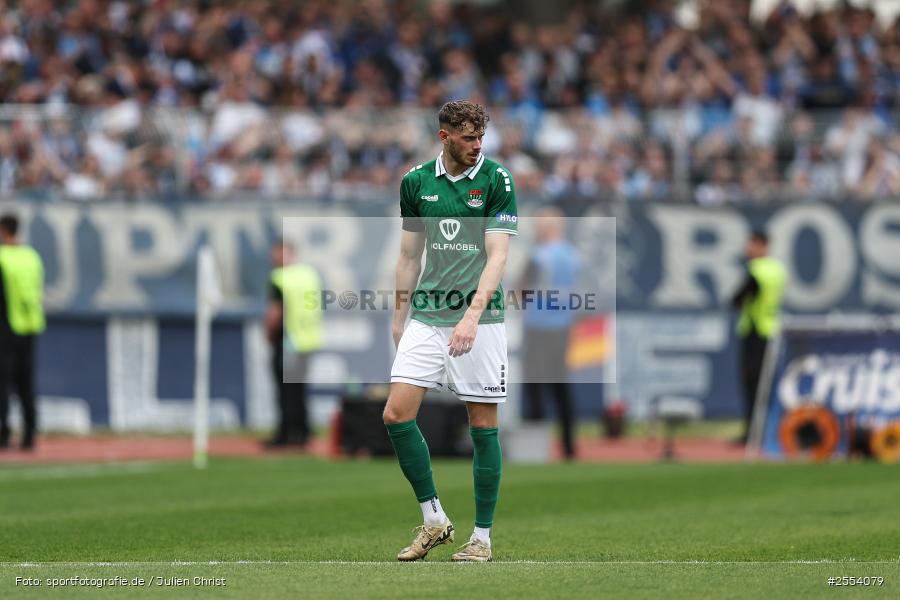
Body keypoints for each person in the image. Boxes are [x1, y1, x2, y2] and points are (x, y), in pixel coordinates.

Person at [385, 101, 517, 562]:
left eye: (481, 136)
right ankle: (434, 519)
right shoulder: (416, 182)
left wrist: (471, 316)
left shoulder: (496, 180)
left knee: (482, 425)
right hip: (426, 314)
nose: (477, 145)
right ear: (444, 136)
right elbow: (408, 257)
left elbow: (497, 256)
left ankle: (481, 537)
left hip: (479, 319)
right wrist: (399, 317)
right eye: (468, 137)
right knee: (395, 415)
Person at [519, 206, 580, 460]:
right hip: (563, 326)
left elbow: (522, 288)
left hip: (537, 325)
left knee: (534, 386)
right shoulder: (575, 256)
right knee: (561, 387)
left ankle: (536, 449)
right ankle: (568, 447)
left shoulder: (539, 256)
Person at [265, 239, 322, 447]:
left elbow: (275, 311)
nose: (273, 257)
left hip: (288, 340)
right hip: (308, 340)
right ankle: (303, 432)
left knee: (285, 390)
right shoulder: (309, 274)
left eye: (277, 253)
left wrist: (269, 334)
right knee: (299, 388)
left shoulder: (279, 277)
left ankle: (286, 434)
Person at [731, 231, 786, 445]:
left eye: (751, 244)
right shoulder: (778, 269)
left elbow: (739, 298)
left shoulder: (756, 270)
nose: (747, 249)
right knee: (768, 384)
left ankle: (753, 432)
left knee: (752, 383)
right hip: (772, 329)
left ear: (761, 245)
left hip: (755, 330)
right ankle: (767, 429)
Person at [0, 213, 45, 450]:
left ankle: (4, 435)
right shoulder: (32, 256)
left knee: (3, 384)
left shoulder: (2, 258)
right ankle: (30, 435)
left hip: (7, 327)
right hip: (30, 326)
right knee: (26, 384)